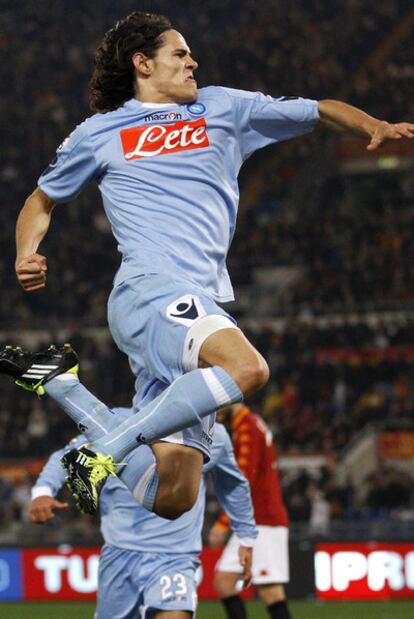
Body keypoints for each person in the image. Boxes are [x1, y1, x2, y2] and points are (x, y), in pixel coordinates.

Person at [4, 10, 414, 517]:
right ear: (143, 64)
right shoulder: (99, 132)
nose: (193, 62)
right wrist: (27, 252)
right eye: (179, 53)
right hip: (149, 291)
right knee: (248, 368)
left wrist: (371, 123)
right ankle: (102, 453)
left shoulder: (223, 107)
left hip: (197, 300)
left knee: (173, 497)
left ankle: (65, 388)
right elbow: (40, 201)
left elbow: (318, 110)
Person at [30, 411, 257, 619]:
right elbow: (66, 456)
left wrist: (246, 537)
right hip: (120, 555)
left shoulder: (211, 435)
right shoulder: (113, 423)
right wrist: (43, 491)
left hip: (175, 556)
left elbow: (233, 484)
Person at [209, 404, 291, 619]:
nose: (214, 410)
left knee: (270, 591)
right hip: (257, 519)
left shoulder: (247, 428)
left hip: (263, 520)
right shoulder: (250, 424)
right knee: (225, 582)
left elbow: (243, 479)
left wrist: (223, 523)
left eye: (218, 404)